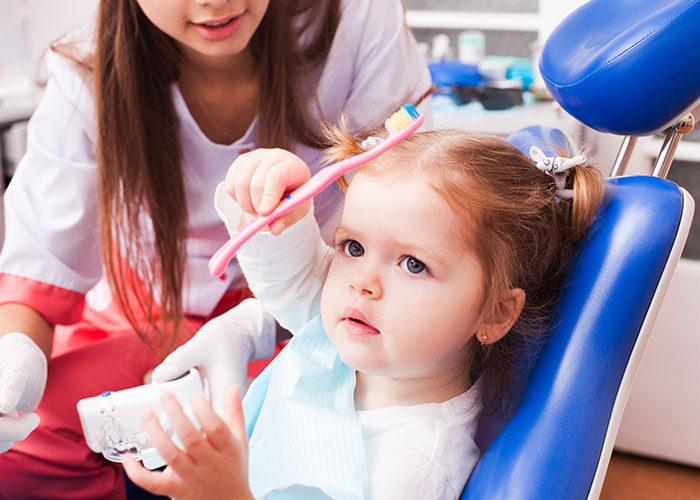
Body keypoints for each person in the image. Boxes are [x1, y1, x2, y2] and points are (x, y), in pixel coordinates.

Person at [0, 0, 432, 498]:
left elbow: (401, 210)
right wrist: (17, 354)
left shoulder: (356, 19)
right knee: (23, 448)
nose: (215, 2)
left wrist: (264, 324)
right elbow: (39, 271)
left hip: (316, 317)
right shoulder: (89, 69)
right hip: (146, 317)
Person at [123, 126, 605, 499]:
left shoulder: (415, 465)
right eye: (352, 246)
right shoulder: (362, 336)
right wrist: (269, 201)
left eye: (414, 264)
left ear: (495, 315)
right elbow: (290, 276)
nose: (362, 281)